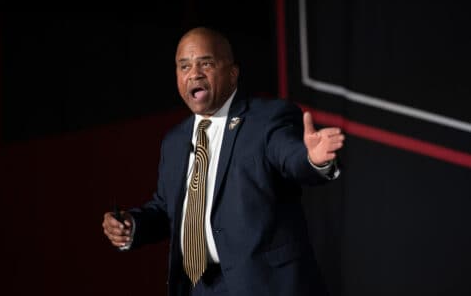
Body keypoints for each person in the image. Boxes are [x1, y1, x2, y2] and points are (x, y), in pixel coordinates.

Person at [102, 27, 344, 296]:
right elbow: (167, 209)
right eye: (184, 66)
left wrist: (311, 159)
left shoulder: (267, 119)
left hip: (264, 285)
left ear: (232, 73)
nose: (194, 73)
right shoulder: (174, 141)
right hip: (200, 288)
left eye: (205, 63)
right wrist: (132, 225)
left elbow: (290, 156)